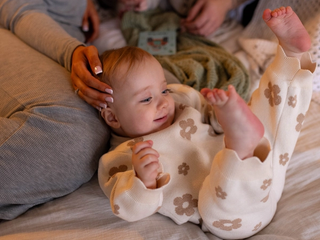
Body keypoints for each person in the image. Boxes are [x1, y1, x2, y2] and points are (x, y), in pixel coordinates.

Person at [97, 6, 316, 239]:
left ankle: (291, 57)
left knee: (273, 118)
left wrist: (220, 114)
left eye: (163, 89)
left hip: (266, 167)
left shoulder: (182, 101)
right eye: (146, 99)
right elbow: (127, 208)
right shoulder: (119, 159)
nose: (163, 102)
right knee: (216, 204)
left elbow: (210, 116)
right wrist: (144, 182)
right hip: (232, 214)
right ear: (113, 117)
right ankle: (241, 148)